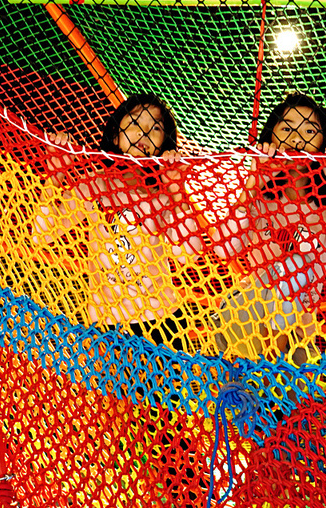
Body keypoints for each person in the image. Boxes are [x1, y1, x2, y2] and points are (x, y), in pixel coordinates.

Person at [33, 94, 204, 350]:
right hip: (107, 322)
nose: (144, 132)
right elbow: (41, 234)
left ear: (164, 143)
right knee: (113, 392)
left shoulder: (162, 193)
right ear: (115, 136)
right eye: (135, 122)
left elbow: (188, 254)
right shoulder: (96, 183)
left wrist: (178, 192)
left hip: (161, 321)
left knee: (165, 391)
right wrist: (55, 175)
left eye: (156, 127)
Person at [211, 94, 326, 363]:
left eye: (309, 130)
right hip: (246, 317)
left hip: (297, 335)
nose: (297, 138)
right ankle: (272, 363)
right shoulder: (261, 197)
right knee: (292, 266)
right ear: (271, 139)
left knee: (287, 400)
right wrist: (252, 181)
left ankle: (275, 363)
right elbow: (223, 249)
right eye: (287, 128)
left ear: (324, 144)